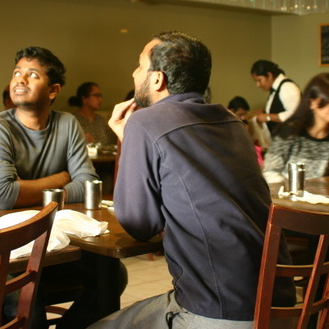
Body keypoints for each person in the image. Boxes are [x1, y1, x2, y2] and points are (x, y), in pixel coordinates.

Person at [88, 31, 295, 329]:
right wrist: (133, 142)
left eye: (139, 65)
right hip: (281, 304)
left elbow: (139, 224)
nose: (134, 73)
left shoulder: (145, 122)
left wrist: (130, 139)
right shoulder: (232, 122)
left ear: (157, 79)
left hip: (221, 310)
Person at [0, 47, 120, 328]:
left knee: (112, 275)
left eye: (32, 74)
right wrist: (60, 179)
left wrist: (29, 190)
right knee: (26, 294)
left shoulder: (67, 124)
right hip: (2, 250)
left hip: (53, 245)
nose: (20, 79)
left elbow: (88, 184)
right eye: (17, 73)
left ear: (53, 90)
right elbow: (4, 195)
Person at [263, 73, 329, 184]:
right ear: (312, 102)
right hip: (286, 193)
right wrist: (291, 190)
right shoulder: (290, 132)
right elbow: (270, 172)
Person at [251, 59, 301, 133]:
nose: (258, 85)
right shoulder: (275, 88)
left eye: (259, 80)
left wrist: (268, 117)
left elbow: (295, 115)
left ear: (269, 75)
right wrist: (264, 112)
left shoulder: (287, 87)